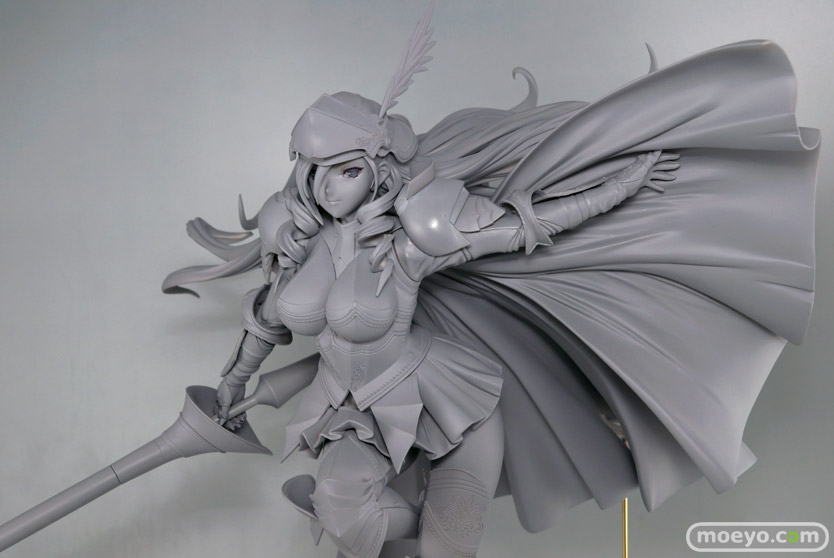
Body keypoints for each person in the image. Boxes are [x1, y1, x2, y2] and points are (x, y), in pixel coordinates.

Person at [163, 5, 818, 558]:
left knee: (446, 547)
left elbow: (527, 229)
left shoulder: (417, 233)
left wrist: (621, 186)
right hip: (352, 412)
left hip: (454, 408)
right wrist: (237, 383)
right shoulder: (300, 234)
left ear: (379, 166)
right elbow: (270, 320)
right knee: (343, 514)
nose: (325, 187)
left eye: (344, 170)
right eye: (313, 170)